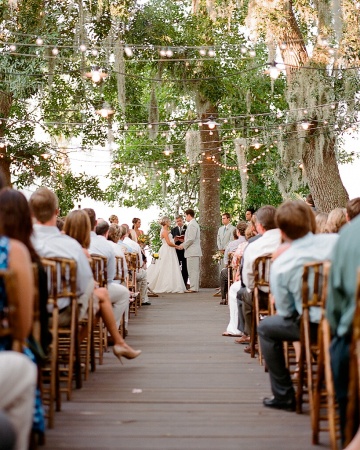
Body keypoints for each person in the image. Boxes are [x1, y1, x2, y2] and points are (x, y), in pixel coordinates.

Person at [258, 200, 338, 411]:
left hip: (314, 327)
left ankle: (284, 395)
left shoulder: (282, 264)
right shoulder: (337, 242)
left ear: (282, 231)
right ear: (311, 222)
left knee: (265, 328)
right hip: (349, 319)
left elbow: (286, 311)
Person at [63, 210, 141, 362]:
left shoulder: (59, 245)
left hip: (51, 299)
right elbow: (109, 279)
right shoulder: (96, 249)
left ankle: (114, 339)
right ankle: (108, 335)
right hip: (75, 301)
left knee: (100, 296)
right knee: (112, 295)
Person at [326, 212, 360, 444]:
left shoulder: (350, 235)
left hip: (353, 337)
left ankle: (349, 432)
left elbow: (335, 309)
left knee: (339, 351)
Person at [236, 206, 282, 349]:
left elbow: (248, 280)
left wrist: (255, 289)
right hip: (289, 295)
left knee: (243, 293)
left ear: (260, 226)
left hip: (262, 296)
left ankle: (251, 337)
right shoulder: (289, 241)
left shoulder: (254, 247)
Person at [84, 210, 130, 328]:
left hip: (73, 290)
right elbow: (111, 277)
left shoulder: (75, 242)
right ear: (95, 223)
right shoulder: (109, 246)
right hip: (99, 288)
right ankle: (109, 329)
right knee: (124, 293)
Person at [147, 217, 185, 293]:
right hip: (167, 250)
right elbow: (168, 243)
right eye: (169, 221)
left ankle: (171, 284)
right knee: (165, 266)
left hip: (169, 250)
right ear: (166, 222)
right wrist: (177, 246)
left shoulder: (166, 231)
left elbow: (170, 241)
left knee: (170, 266)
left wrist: (175, 240)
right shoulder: (164, 231)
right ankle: (164, 285)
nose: (170, 223)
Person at [219, 222, 247, 306]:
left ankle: (224, 298)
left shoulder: (231, 244)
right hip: (248, 272)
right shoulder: (251, 243)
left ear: (237, 232)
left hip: (234, 272)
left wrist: (228, 266)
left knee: (223, 273)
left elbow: (226, 260)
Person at [178, 209, 202, 293]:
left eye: (185, 216)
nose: (185, 218)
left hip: (192, 251)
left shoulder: (192, 225)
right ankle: (194, 287)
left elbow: (191, 238)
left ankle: (193, 287)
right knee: (193, 269)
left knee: (192, 270)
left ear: (189, 215)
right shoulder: (193, 224)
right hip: (193, 251)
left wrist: (183, 245)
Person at [171, 215, 188, 287]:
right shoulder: (173, 230)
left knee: (185, 267)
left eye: (180, 221)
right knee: (176, 266)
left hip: (185, 250)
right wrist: (175, 240)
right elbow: (171, 240)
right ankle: (176, 283)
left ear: (183, 220)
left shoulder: (187, 228)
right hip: (176, 250)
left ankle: (184, 283)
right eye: (177, 221)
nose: (179, 222)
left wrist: (184, 240)